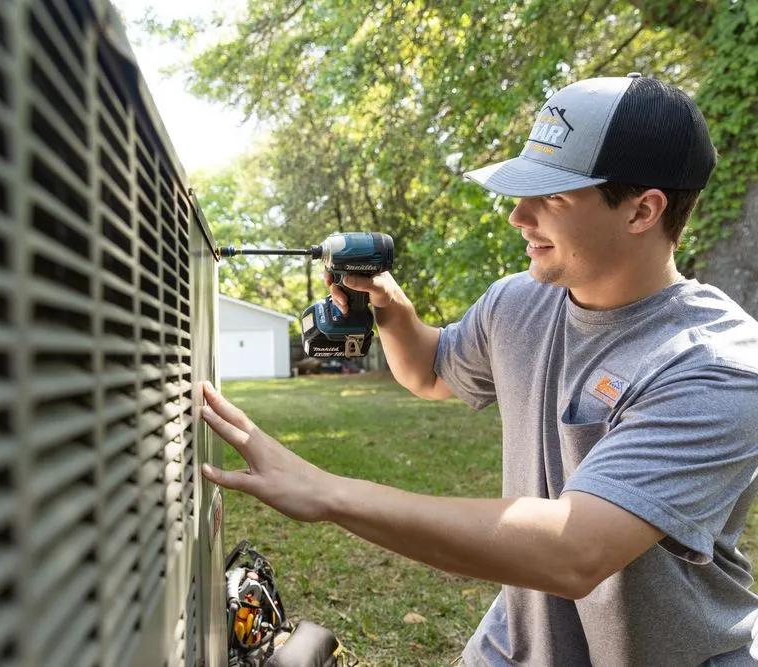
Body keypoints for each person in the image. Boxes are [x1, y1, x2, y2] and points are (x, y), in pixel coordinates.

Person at [199, 73, 758, 666]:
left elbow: (575, 551)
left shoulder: (717, 365)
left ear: (643, 210)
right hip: (516, 644)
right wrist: (390, 307)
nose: (519, 215)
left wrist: (328, 493)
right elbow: (432, 373)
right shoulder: (519, 301)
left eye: (552, 197)